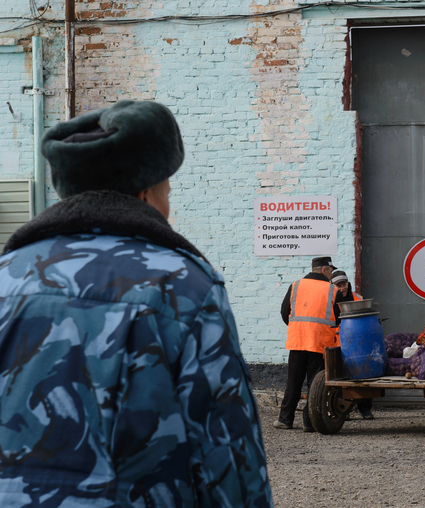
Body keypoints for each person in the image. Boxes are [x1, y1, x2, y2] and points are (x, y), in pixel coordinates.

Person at [0, 100, 273, 507]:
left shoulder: (6, 276)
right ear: (145, 194)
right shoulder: (182, 286)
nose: (169, 205)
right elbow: (225, 449)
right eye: (167, 190)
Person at [276, 256, 341, 432]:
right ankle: (309, 422)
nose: (331, 275)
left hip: (297, 340)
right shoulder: (332, 290)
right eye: (331, 271)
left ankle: (285, 419)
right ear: (324, 270)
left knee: (293, 381)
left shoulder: (296, 286)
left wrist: (298, 328)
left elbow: (284, 312)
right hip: (320, 342)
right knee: (315, 384)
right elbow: (339, 317)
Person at [332, 270, 374, 420]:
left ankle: (365, 409)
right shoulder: (330, 301)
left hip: (358, 345)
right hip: (338, 345)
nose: (342, 288)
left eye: (343, 284)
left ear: (348, 284)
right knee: (341, 380)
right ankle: (345, 409)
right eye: (338, 286)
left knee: (363, 376)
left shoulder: (358, 299)